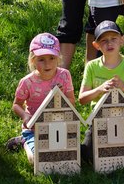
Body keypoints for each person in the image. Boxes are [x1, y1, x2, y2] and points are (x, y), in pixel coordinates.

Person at [79, 20, 124, 160]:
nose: (109, 44)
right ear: (96, 45)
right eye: (103, 41)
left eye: (114, 39)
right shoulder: (92, 66)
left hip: (123, 118)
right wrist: (100, 89)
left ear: (122, 40)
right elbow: (82, 99)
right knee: (87, 154)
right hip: (98, 120)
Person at [9, 33, 75, 164]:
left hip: (58, 126)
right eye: (41, 59)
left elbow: (72, 102)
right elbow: (16, 105)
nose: (47, 64)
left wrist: (61, 97)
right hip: (34, 129)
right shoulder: (27, 82)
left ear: (58, 58)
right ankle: (24, 141)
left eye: (51, 58)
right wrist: (25, 116)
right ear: (33, 60)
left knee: (69, 155)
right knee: (36, 160)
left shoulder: (64, 76)